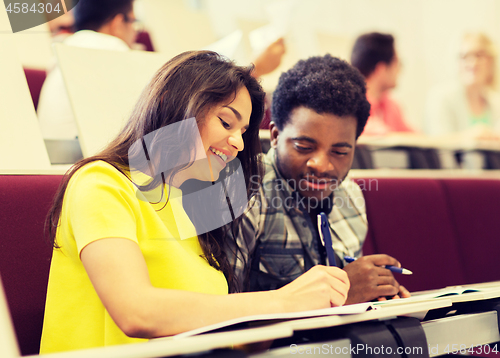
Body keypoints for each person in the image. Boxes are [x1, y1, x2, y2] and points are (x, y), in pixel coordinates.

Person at [40, 51, 350, 354]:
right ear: (170, 105)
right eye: (226, 123)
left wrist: (310, 310)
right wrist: (284, 300)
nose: (239, 143)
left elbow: (221, 337)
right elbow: (137, 312)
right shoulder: (101, 182)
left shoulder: (196, 203)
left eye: (243, 131)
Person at [228, 54, 411, 304]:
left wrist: (373, 294)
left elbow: (350, 300)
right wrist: (341, 294)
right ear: (274, 136)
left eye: (340, 152)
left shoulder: (351, 196)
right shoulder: (244, 192)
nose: (322, 165)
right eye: (304, 146)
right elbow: (222, 316)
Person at [37, 0, 138, 140]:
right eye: (133, 21)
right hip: (86, 156)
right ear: (118, 23)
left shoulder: (67, 49)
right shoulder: (113, 48)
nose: (135, 31)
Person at [425, 33, 500, 139]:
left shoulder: (496, 102)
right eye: (464, 56)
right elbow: (438, 142)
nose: (472, 62)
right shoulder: (440, 97)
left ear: (491, 61)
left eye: (479, 55)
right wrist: (475, 136)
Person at [350, 32, 414, 137]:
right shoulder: (349, 107)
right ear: (381, 69)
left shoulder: (391, 106)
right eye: (397, 63)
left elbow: (415, 138)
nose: (399, 70)